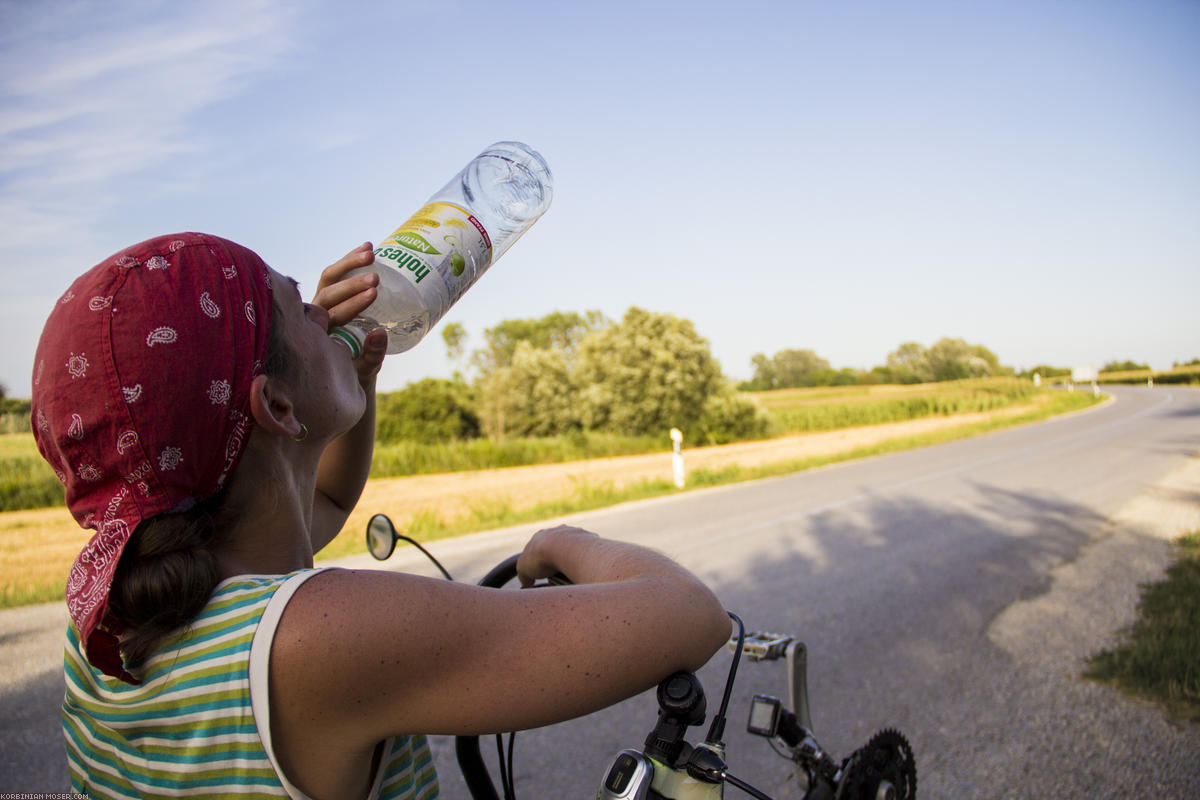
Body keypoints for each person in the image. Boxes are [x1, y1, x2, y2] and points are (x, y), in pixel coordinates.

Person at [31, 233, 732, 800]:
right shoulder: (313, 641)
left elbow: (327, 503)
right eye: (296, 304)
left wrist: (352, 381)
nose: (323, 311)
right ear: (276, 407)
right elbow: (692, 615)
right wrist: (568, 541)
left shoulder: (111, 601)